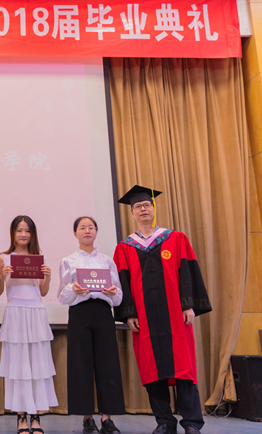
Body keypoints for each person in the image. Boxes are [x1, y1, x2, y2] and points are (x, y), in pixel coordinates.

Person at [113, 185, 212, 434]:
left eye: (146, 205)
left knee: (184, 368)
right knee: (151, 370)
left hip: (175, 314)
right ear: (132, 213)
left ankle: (191, 423)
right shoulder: (125, 247)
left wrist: (188, 305)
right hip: (144, 317)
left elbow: (187, 272)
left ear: (153, 208)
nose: (143, 209)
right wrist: (129, 313)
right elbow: (123, 282)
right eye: (138, 206)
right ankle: (165, 422)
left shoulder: (175, 238)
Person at [58, 216, 124, 434]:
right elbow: (62, 296)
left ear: (96, 232)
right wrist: (73, 290)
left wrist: (113, 292)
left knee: (108, 363)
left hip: (103, 313)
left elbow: (118, 297)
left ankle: (107, 418)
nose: (87, 231)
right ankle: (87, 418)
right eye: (82, 228)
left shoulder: (107, 261)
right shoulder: (68, 261)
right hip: (80, 313)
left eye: (91, 227)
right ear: (75, 233)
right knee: (81, 364)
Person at [0, 215, 57, 434]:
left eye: (27, 231)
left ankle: (36, 417)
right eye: (19, 230)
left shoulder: (38, 258)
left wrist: (48, 278)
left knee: (37, 365)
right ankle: (21, 416)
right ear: (13, 233)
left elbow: (42, 292)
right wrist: (1, 276)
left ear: (32, 234)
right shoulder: (3, 258)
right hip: (15, 314)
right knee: (19, 366)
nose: (23, 234)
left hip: (36, 313)